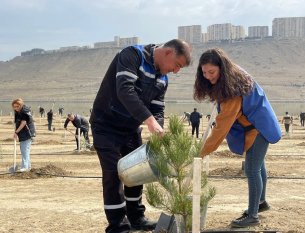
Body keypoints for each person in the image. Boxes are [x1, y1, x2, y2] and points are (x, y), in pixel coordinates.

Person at [89, 39, 191, 233]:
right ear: (168, 52)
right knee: (113, 173)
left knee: (138, 171)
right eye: (177, 65)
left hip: (129, 129)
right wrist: (149, 120)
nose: (176, 71)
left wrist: (158, 129)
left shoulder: (162, 79)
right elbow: (124, 90)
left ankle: (136, 217)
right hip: (106, 125)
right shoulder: (132, 55)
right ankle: (118, 226)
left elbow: (158, 108)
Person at [193, 48, 281, 228]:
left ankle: (252, 215)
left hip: (259, 127)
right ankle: (261, 203)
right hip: (255, 125)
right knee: (258, 165)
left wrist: (200, 153)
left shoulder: (232, 91)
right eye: (204, 72)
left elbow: (221, 128)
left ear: (222, 68)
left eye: (212, 72)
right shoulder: (232, 76)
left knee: (251, 169)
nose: (208, 76)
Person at [12, 98, 36, 172]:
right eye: (14, 107)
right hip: (22, 133)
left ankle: (25, 167)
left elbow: (23, 123)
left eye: (17, 106)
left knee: (24, 150)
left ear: (21, 105)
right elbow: (17, 122)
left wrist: (16, 132)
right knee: (24, 150)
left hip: (27, 133)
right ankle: (27, 167)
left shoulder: (25, 111)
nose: (16, 108)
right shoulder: (18, 111)